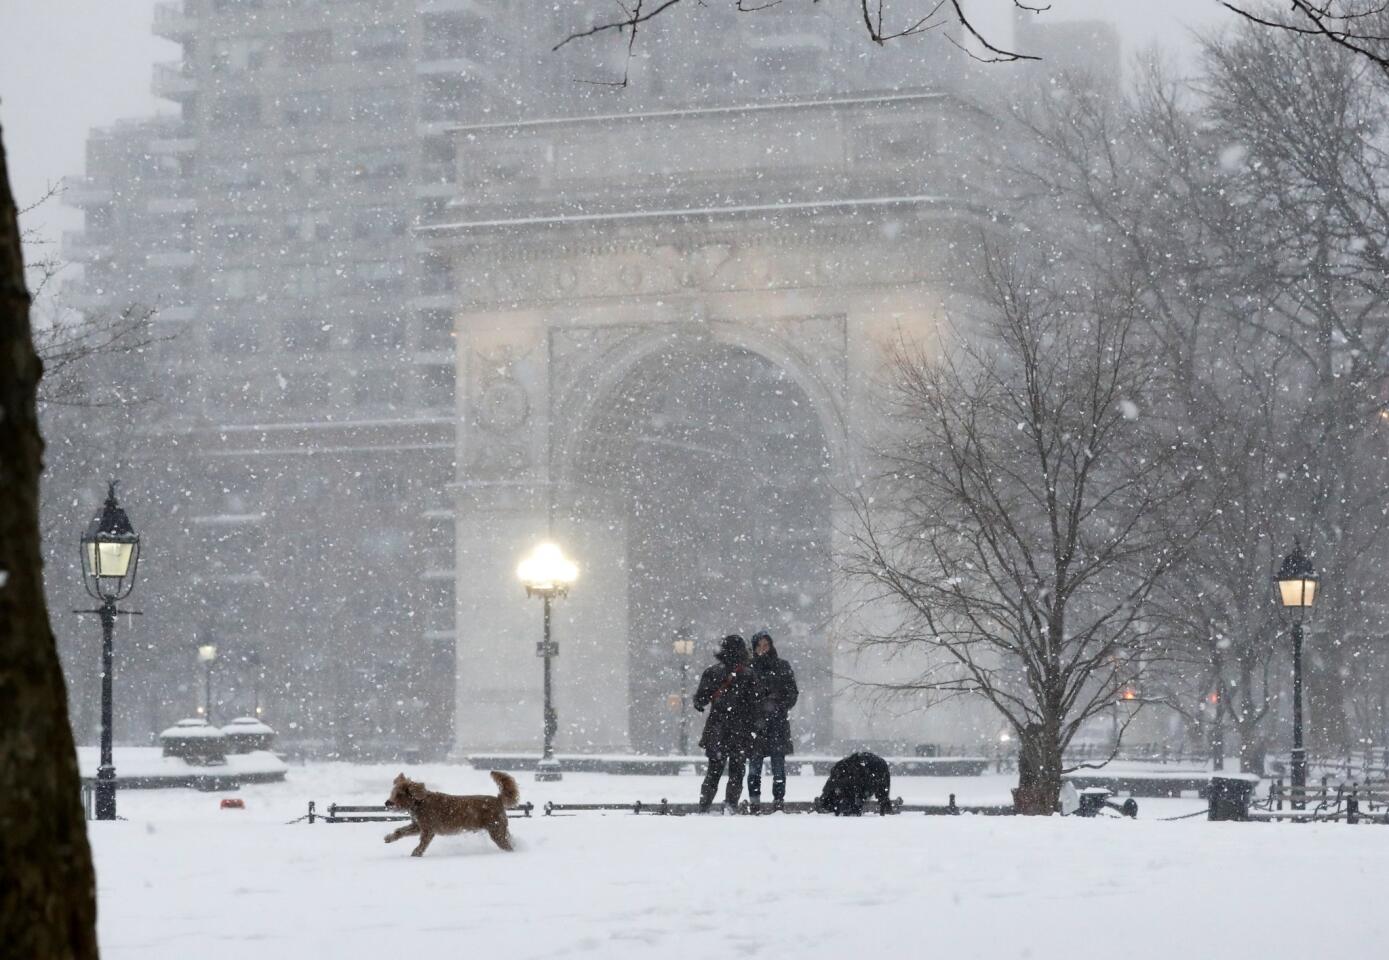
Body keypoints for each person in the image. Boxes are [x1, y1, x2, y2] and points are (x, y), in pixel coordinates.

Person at [693, 634, 760, 813]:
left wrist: (704, 702)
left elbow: (700, 701)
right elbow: (755, 705)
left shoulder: (712, 672)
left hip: (717, 728)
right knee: (737, 772)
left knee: (714, 770)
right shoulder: (748, 674)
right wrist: (754, 727)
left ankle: (704, 806)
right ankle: (731, 805)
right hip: (741, 730)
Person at [746, 630, 798, 813]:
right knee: (754, 768)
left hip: (776, 724)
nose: (763, 649)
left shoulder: (782, 666)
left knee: (778, 769)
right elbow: (743, 696)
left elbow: (792, 692)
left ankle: (778, 803)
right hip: (756, 725)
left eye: (765, 645)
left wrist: (779, 705)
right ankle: (755, 803)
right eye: (759, 646)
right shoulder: (749, 668)